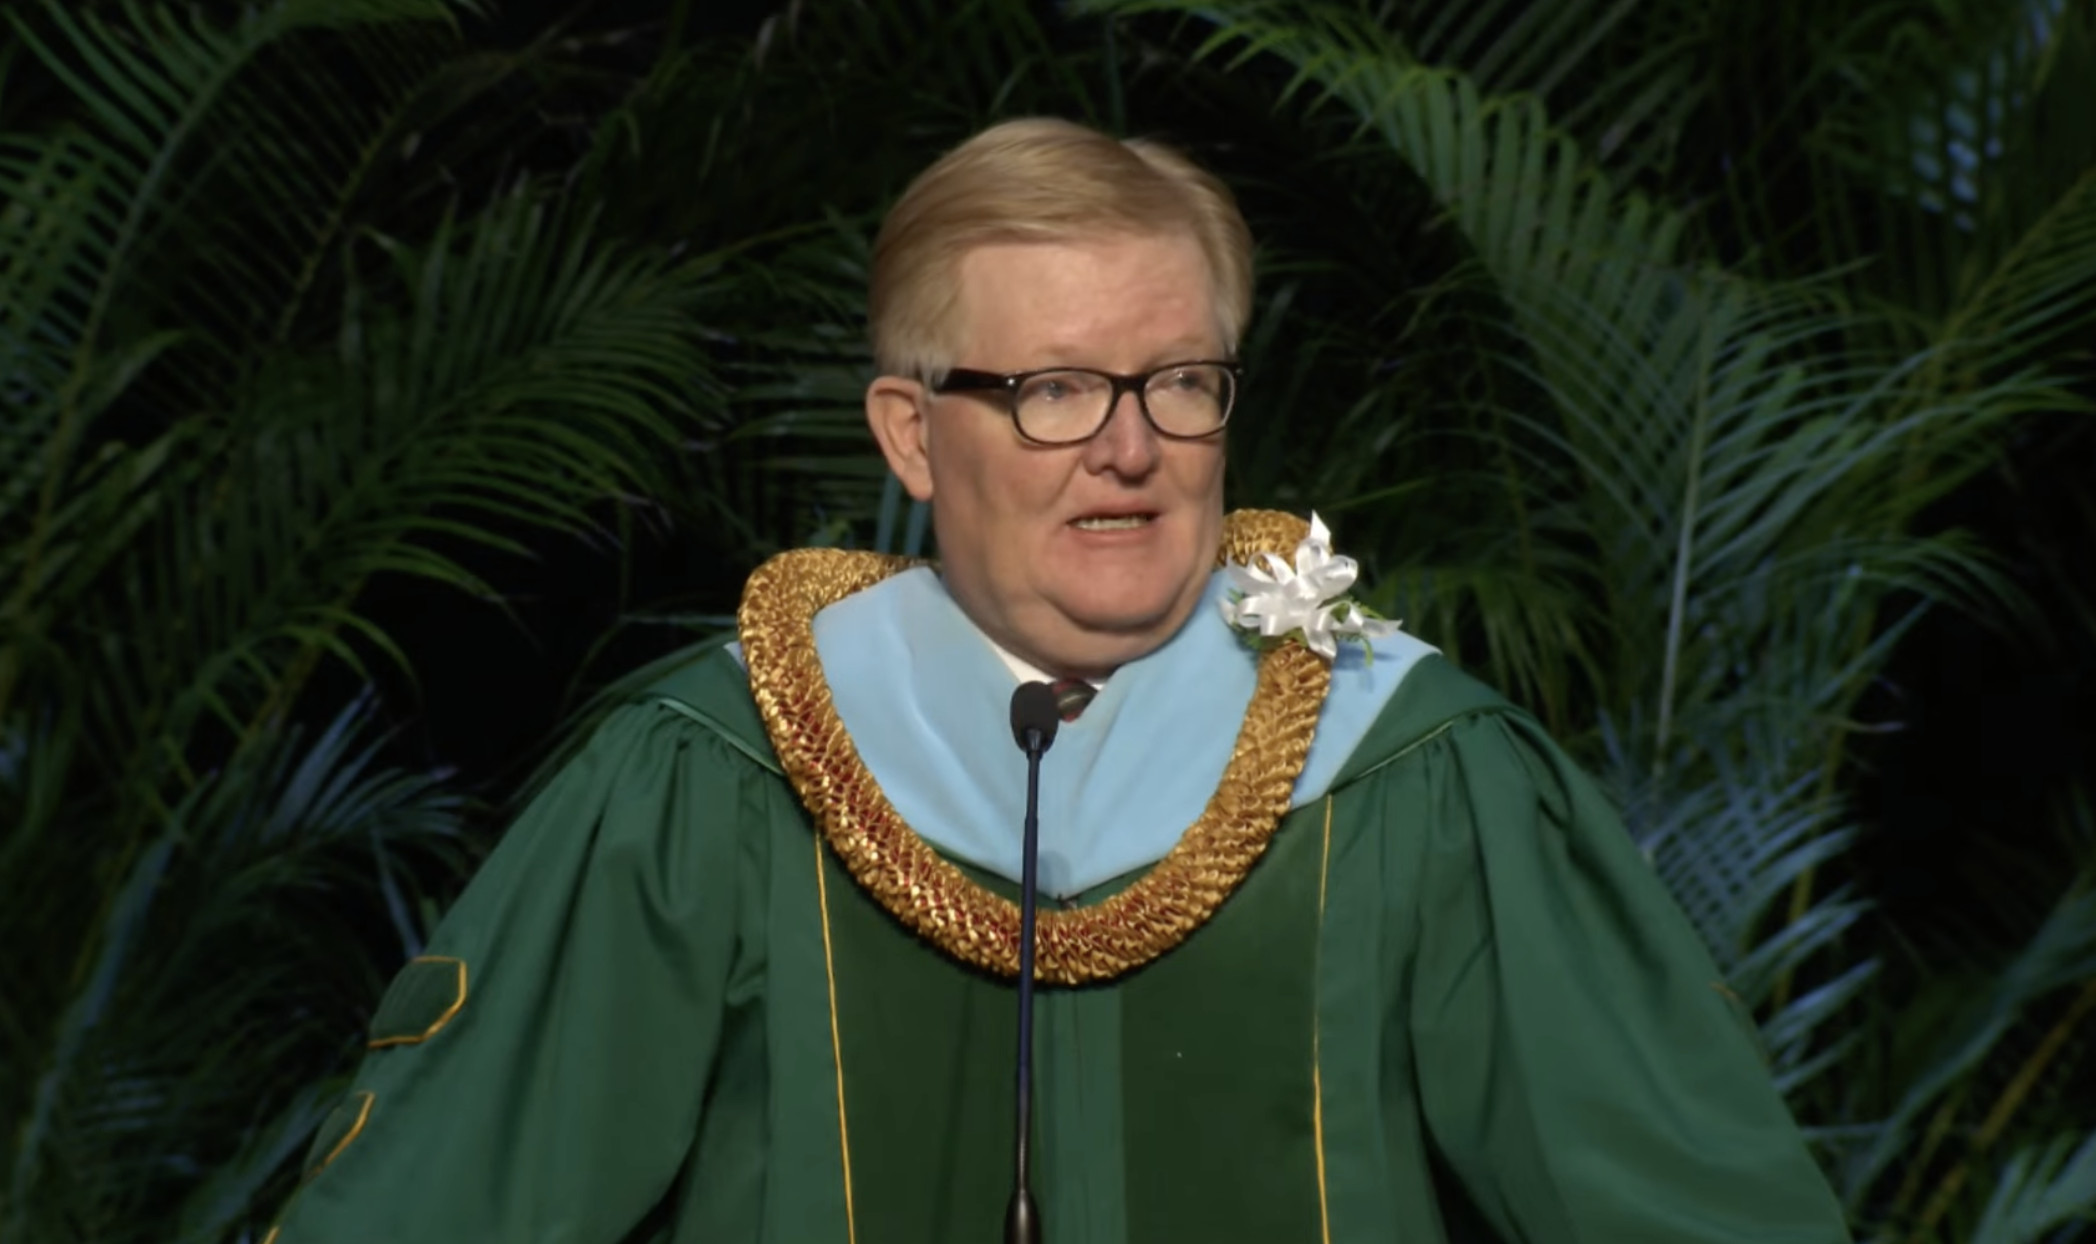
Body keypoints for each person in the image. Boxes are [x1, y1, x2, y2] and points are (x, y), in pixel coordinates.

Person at [263, 117, 1852, 1244]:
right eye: (1053, 389)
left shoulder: (1409, 770)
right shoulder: (716, 770)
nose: (1132, 446)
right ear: (908, 434)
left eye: (1177, 380)